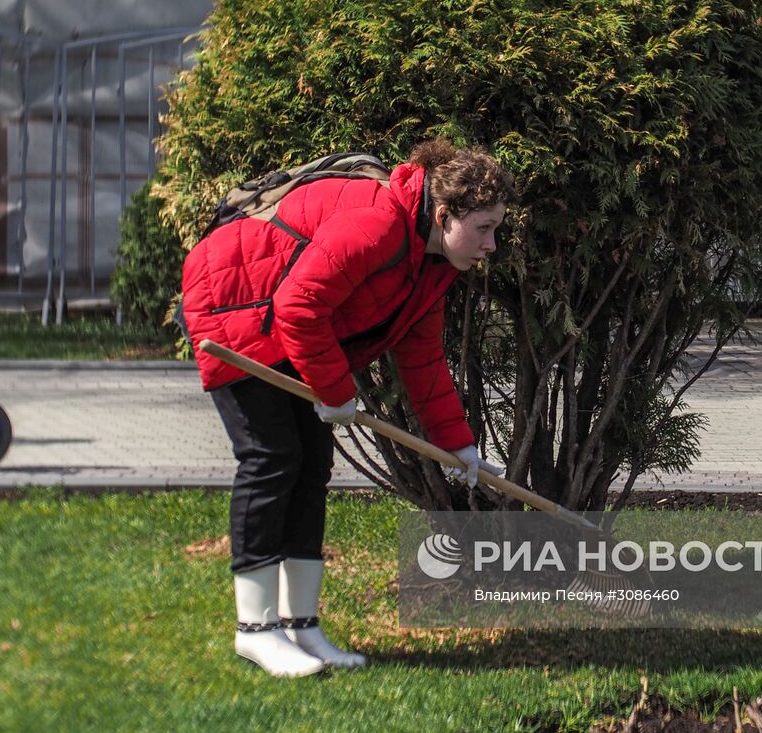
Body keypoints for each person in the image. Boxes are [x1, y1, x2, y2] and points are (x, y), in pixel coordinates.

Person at [180, 138, 517, 677]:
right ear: (443, 214)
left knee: (311, 468)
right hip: (233, 309)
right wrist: (338, 394)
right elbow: (298, 307)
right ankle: (256, 630)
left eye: (496, 228)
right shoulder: (376, 224)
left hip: (282, 324)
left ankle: (302, 626)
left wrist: (459, 445)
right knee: (272, 459)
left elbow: (423, 358)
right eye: (484, 228)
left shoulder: (432, 265)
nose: (492, 244)